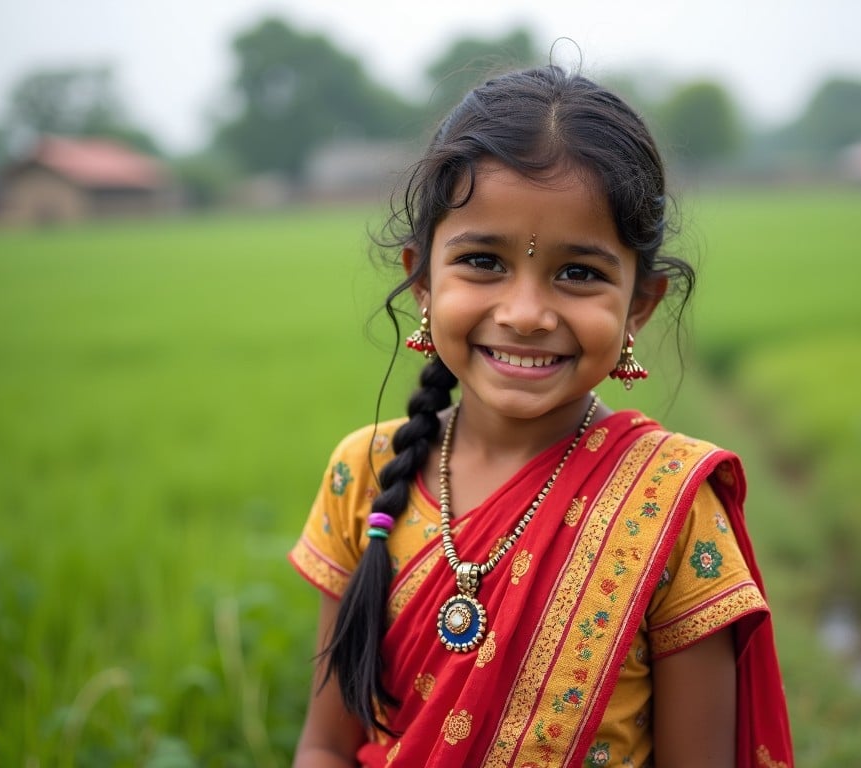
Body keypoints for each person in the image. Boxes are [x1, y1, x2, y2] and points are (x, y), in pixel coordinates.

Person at [288, 64, 794, 768]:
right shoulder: (364, 474)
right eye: (483, 261)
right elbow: (325, 745)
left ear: (639, 305)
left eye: (579, 273)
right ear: (423, 281)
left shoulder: (671, 506)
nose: (525, 314)